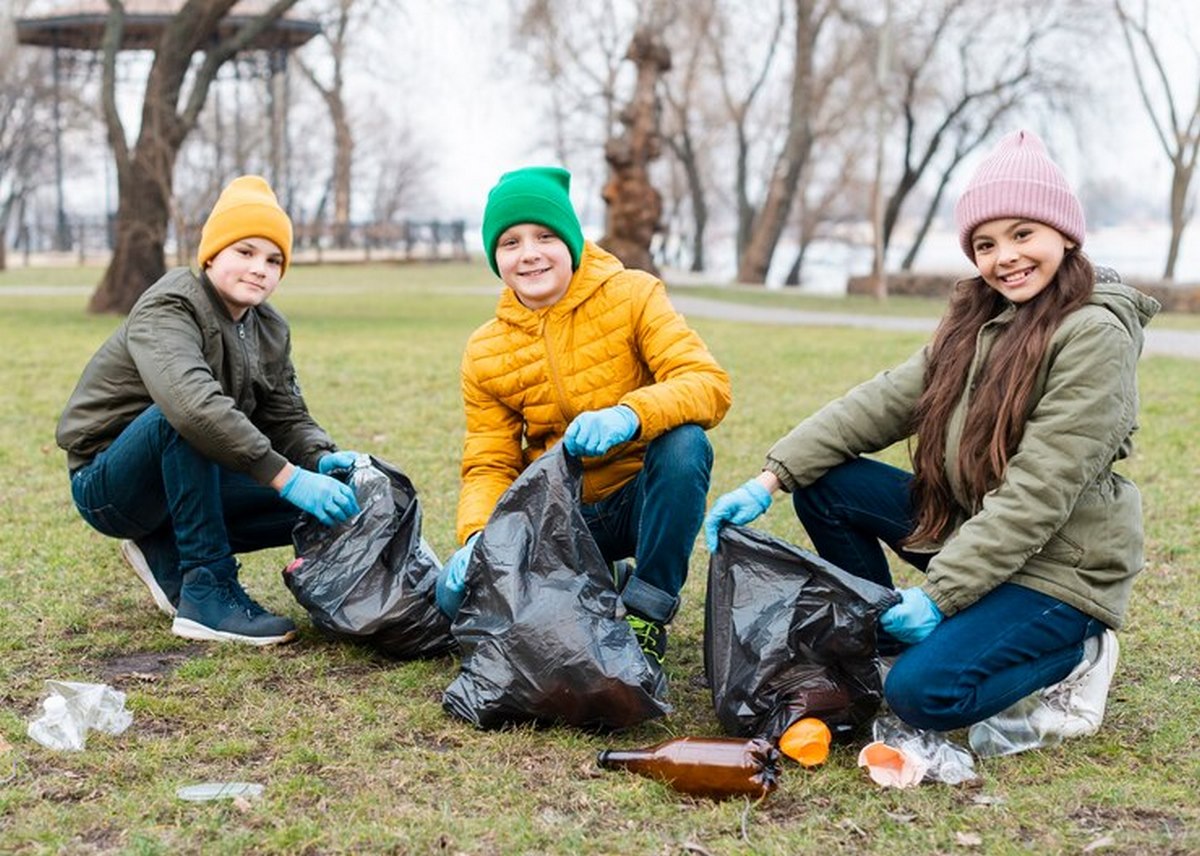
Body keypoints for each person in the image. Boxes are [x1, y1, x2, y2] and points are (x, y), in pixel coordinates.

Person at [704, 130, 1159, 743]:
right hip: (977, 530)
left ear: (1065, 235)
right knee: (826, 485)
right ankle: (882, 634)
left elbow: (1038, 493)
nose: (1006, 258)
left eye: (1024, 234)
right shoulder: (981, 319)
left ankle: (1077, 657)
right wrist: (770, 478)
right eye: (986, 244)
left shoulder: (1094, 335)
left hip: (1059, 567)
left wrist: (940, 598)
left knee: (922, 694)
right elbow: (879, 403)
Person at [438, 165, 732, 666]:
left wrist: (630, 415)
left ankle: (646, 611)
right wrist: (479, 536)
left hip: (641, 498)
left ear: (571, 241)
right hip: (559, 512)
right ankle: (599, 579)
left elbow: (708, 385)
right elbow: (490, 461)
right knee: (453, 599)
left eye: (545, 236)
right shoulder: (485, 349)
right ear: (496, 258)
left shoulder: (634, 295)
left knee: (685, 444)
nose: (528, 253)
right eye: (509, 243)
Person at [57, 175, 362, 647]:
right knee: (184, 421)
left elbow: (285, 417)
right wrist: (288, 477)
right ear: (212, 255)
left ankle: (164, 545)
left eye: (273, 259)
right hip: (109, 484)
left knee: (343, 500)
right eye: (245, 252)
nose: (260, 268)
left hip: (189, 475)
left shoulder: (269, 328)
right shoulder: (172, 303)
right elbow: (190, 408)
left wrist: (320, 459)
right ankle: (208, 594)